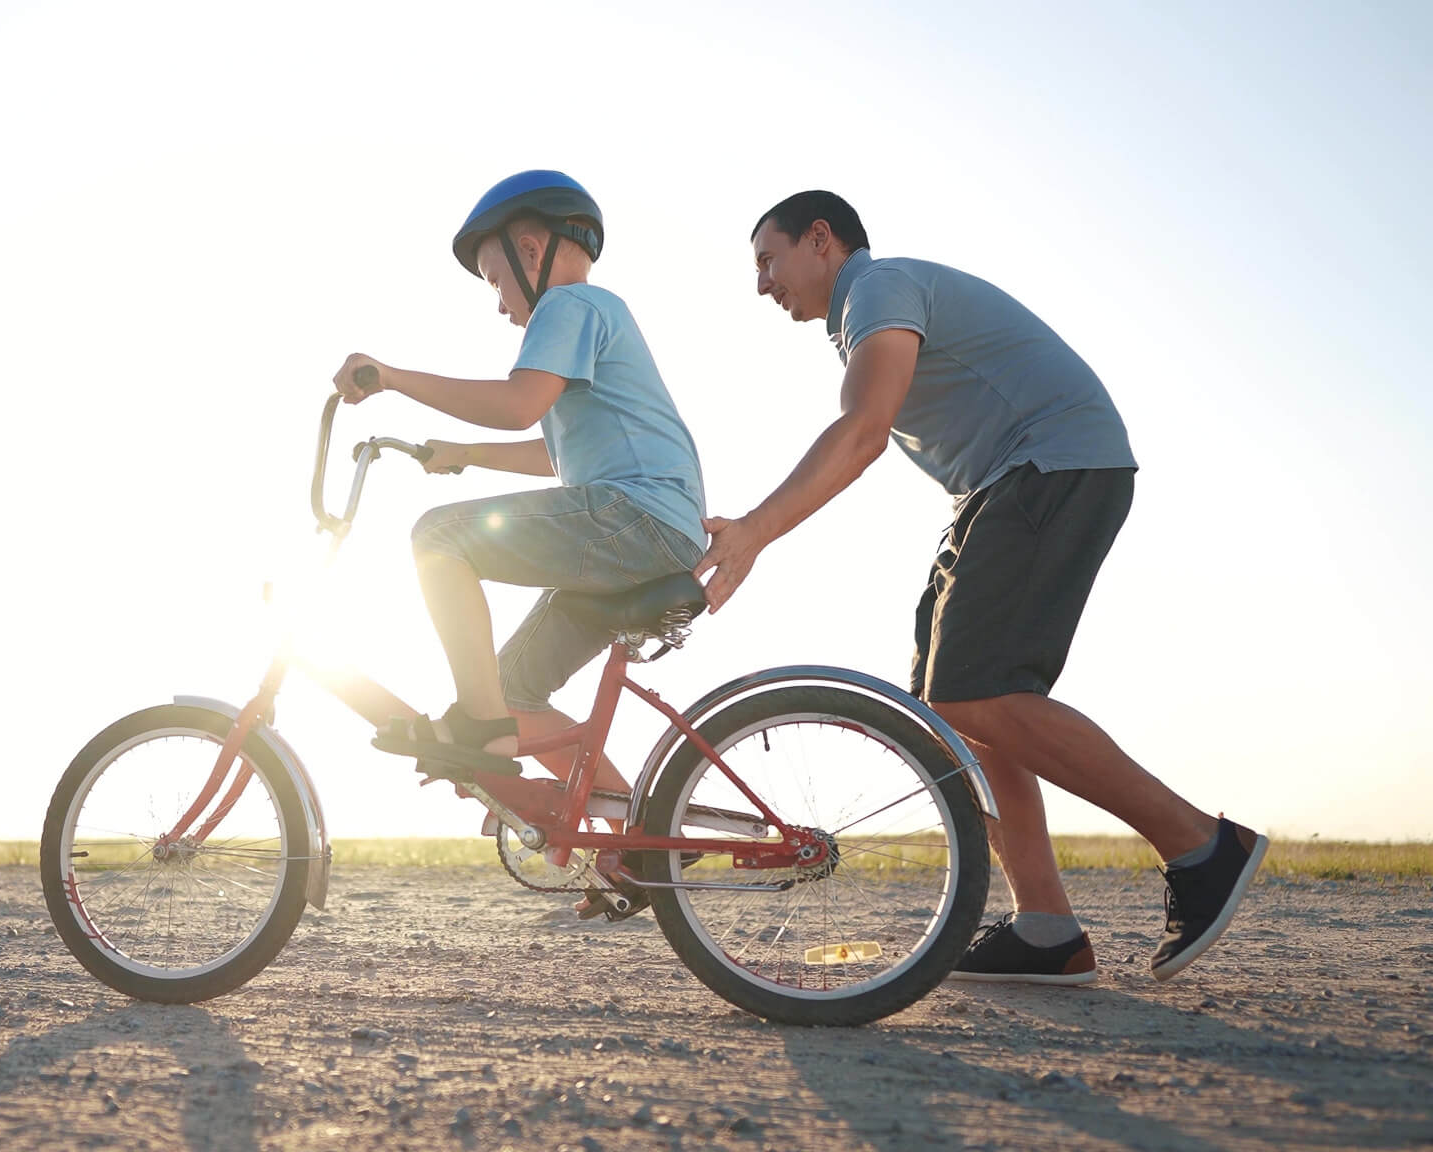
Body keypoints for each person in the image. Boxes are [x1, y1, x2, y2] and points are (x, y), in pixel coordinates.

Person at [697, 190, 1266, 983]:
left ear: (820, 240)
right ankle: (1045, 929)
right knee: (950, 704)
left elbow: (862, 433)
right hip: (1000, 485)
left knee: (974, 689)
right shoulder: (867, 307)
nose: (762, 283)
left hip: (1049, 464)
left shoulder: (878, 287)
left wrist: (755, 529)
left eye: (769, 260)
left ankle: (1202, 847)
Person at [332, 171, 707, 913]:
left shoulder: (570, 304)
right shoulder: (596, 318)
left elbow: (516, 404)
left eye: (498, 280)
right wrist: (461, 454)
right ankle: (639, 835)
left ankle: (482, 730)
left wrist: (393, 377)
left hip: (635, 517)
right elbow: (551, 450)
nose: (502, 306)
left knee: (440, 536)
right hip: (642, 521)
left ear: (532, 246)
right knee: (512, 688)